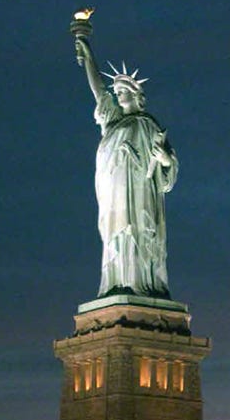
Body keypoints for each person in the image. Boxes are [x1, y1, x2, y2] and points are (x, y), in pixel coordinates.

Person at [75, 35, 178, 298]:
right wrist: (88, 55)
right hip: (113, 190)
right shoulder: (113, 123)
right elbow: (99, 91)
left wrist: (166, 160)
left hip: (141, 191)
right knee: (115, 235)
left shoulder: (147, 124)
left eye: (123, 91)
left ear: (136, 95)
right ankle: (117, 282)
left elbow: (168, 169)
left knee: (139, 232)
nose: (118, 95)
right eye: (117, 91)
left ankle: (141, 283)